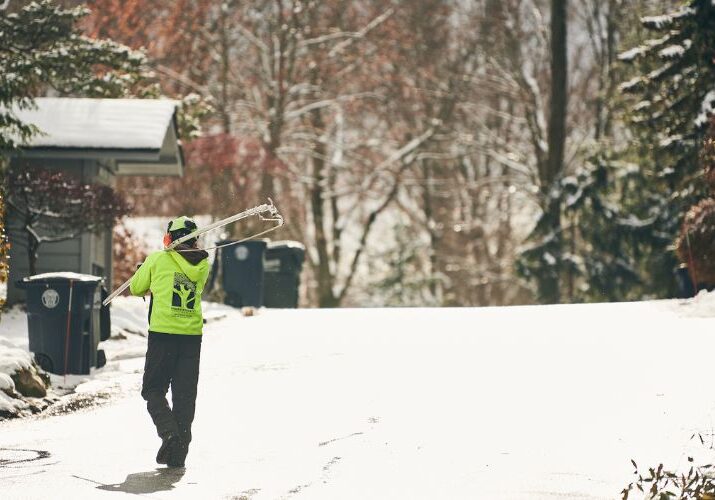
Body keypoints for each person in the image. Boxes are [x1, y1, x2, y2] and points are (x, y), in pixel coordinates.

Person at [129, 216, 209, 467]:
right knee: (185, 396)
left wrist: (143, 270)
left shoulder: (156, 259)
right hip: (191, 338)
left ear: (170, 238)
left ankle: (169, 433)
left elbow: (136, 288)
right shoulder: (203, 264)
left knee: (153, 389)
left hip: (163, 335)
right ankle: (179, 452)